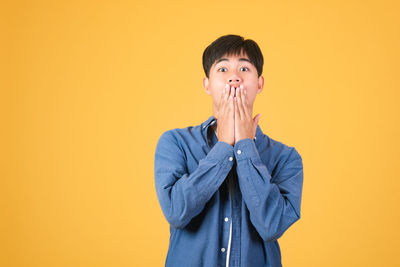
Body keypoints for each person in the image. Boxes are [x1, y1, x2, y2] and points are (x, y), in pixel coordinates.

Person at [154, 34, 304, 267]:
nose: (234, 78)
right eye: (222, 69)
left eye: (244, 68)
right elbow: (176, 211)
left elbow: (272, 226)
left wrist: (245, 146)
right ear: (207, 85)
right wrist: (224, 147)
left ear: (260, 83)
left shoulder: (286, 158)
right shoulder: (176, 142)